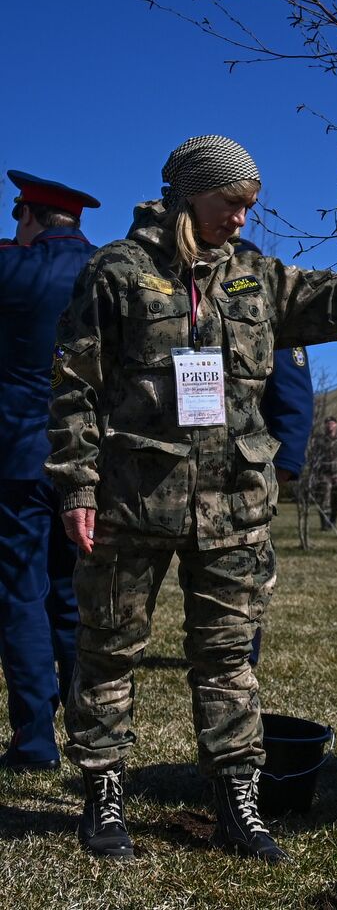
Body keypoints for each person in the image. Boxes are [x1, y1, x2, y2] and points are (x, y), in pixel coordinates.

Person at [47, 135, 337, 863]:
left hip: (233, 508)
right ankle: (103, 794)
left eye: (250, 206)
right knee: (108, 653)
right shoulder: (117, 274)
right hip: (134, 504)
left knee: (228, 660)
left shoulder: (259, 280)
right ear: (193, 193)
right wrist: (77, 484)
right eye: (232, 203)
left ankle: (238, 802)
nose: (242, 219)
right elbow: (75, 386)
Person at [0, 171, 99, 773]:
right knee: (70, 595)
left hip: (16, 456)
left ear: (30, 216)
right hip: (86, 456)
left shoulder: (14, 269)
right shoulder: (107, 272)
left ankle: (35, 740)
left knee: (20, 594)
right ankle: (90, 730)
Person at [234, 238, 314, 667]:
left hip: (249, 470)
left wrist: (281, 468)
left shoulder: (266, 304)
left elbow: (294, 398)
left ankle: (244, 654)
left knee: (244, 575)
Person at [309, 416, 337, 531]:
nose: (330, 425)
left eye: (332, 423)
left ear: (336, 425)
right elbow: (313, 457)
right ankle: (325, 525)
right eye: (328, 423)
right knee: (324, 500)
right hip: (323, 475)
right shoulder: (319, 439)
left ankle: (333, 522)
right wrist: (314, 474)